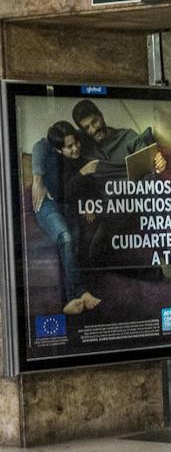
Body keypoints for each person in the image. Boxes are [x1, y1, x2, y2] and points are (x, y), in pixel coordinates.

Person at [30, 121, 101, 315]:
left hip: (67, 206)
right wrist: (37, 178)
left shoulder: (76, 151)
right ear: (59, 150)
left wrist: (87, 202)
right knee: (66, 238)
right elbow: (38, 146)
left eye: (75, 143)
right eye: (69, 147)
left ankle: (78, 295)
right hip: (46, 204)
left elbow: (80, 187)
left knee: (77, 242)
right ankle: (76, 295)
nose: (75, 147)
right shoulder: (47, 149)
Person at [71, 98, 166, 179]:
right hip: (103, 199)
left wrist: (158, 164)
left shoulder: (128, 137)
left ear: (101, 116)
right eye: (87, 128)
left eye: (95, 121)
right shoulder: (82, 145)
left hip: (131, 194)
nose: (93, 129)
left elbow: (151, 167)